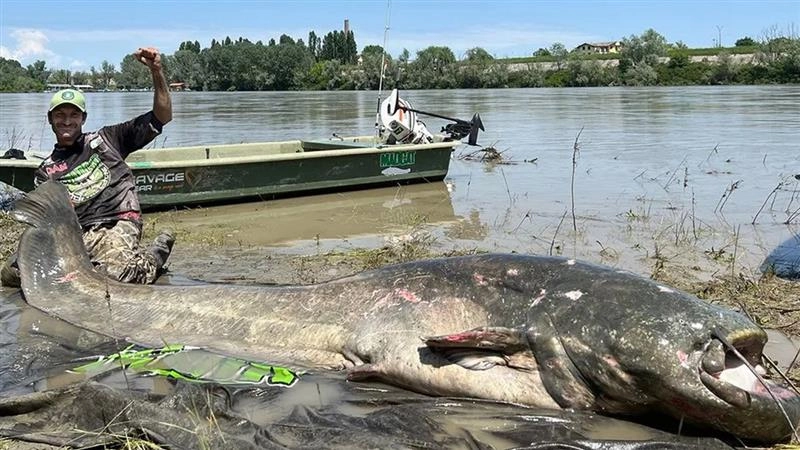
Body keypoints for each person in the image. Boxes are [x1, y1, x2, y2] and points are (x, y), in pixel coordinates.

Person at [1, 47, 175, 287]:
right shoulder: (45, 172)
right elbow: (49, 221)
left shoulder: (108, 139)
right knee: (15, 274)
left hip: (117, 221)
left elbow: (162, 116)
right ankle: (92, 265)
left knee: (115, 276)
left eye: (74, 114)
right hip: (77, 234)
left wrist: (157, 71)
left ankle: (155, 256)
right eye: (60, 114)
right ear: (50, 118)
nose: (67, 120)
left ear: (83, 118)